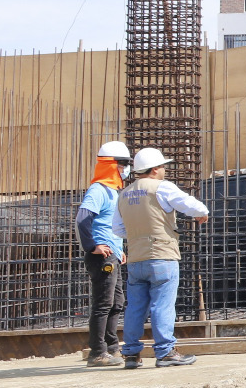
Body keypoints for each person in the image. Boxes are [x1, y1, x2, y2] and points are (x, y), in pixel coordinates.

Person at [115, 147, 209, 370]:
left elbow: (118, 229)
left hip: (136, 259)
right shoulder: (162, 187)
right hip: (162, 257)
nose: (165, 170)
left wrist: (139, 235)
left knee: (135, 307)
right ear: (155, 168)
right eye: (163, 166)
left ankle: (131, 354)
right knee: (162, 306)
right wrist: (202, 213)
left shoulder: (123, 194)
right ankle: (165, 352)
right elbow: (194, 206)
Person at [76, 141, 131, 367]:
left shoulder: (112, 192)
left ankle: (111, 347)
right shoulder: (98, 190)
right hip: (101, 257)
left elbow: (108, 225)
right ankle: (97, 352)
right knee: (103, 303)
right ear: (111, 165)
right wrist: (92, 246)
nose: (125, 169)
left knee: (117, 302)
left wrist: (119, 250)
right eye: (122, 164)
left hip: (112, 255)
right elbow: (83, 219)